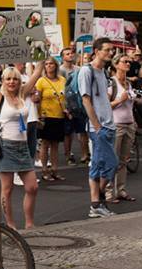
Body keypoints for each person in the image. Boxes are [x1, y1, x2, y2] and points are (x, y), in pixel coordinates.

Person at [0, 62, 43, 229]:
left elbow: (37, 74)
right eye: (8, 79)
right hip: (6, 147)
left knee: (32, 187)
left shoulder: (22, 94)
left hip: (23, 146)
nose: (12, 82)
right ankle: (10, 224)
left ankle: (29, 222)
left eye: (15, 79)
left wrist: (41, 55)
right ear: (3, 80)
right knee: (6, 190)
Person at [79, 37, 119, 218]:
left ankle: (97, 202)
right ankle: (96, 203)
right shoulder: (86, 71)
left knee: (102, 165)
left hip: (108, 125)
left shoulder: (103, 72)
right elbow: (85, 99)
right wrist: (97, 125)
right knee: (108, 164)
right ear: (96, 51)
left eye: (112, 50)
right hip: (99, 127)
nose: (111, 53)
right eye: (108, 50)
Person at [107, 54, 137, 204]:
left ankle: (121, 190)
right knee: (113, 159)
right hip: (117, 124)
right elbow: (105, 106)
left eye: (129, 62)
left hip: (129, 123)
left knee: (123, 160)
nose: (128, 64)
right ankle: (108, 191)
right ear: (116, 64)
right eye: (125, 62)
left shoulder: (128, 83)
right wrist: (119, 100)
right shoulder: (111, 83)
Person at [35, 57, 67, 182]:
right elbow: (37, 99)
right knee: (45, 144)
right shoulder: (41, 81)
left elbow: (66, 96)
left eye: (51, 64)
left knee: (55, 144)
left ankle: (54, 170)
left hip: (59, 115)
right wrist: (38, 115)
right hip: (46, 115)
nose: (49, 66)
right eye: (46, 64)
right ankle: (44, 170)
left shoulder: (62, 80)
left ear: (56, 65)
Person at [59, 48, 89, 166]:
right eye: (67, 54)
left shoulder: (78, 69)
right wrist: (65, 107)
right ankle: (68, 155)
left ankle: (85, 154)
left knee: (82, 131)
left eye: (71, 53)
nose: (70, 55)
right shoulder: (60, 70)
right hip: (67, 104)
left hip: (79, 104)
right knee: (68, 133)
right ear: (62, 57)